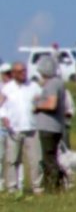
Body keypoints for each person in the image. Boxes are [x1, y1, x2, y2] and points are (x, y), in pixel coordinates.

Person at [1, 62, 41, 195]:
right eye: (20, 71)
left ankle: (37, 186)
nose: (23, 74)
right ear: (13, 73)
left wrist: (38, 105)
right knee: (12, 160)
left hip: (31, 128)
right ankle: (12, 187)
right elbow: (1, 105)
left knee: (35, 159)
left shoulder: (33, 86)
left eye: (24, 71)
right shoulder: (7, 88)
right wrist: (4, 117)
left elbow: (41, 100)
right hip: (14, 128)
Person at [30, 54, 67, 194]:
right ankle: (55, 184)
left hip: (48, 127)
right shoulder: (58, 83)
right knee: (51, 157)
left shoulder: (52, 84)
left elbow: (51, 104)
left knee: (48, 158)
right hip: (55, 127)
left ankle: (53, 186)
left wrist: (38, 106)